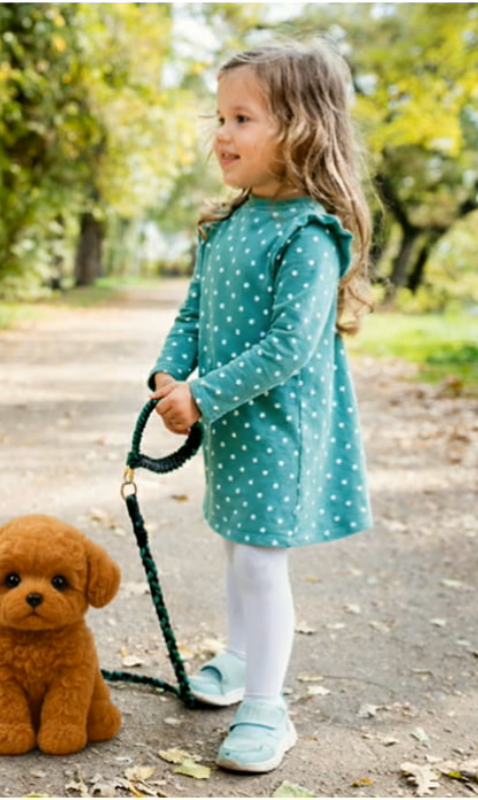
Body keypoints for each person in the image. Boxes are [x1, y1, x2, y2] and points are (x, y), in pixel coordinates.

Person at [147, 40, 373, 773]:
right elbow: (192, 312)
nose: (222, 134)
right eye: (220, 117)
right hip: (233, 426)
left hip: (279, 429)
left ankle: (268, 709)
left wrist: (202, 394)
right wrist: (169, 372)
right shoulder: (228, 224)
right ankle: (241, 658)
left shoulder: (309, 235)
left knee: (257, 561)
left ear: (302, 129)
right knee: (236, 544)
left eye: (242, 118)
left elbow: (289, 348)